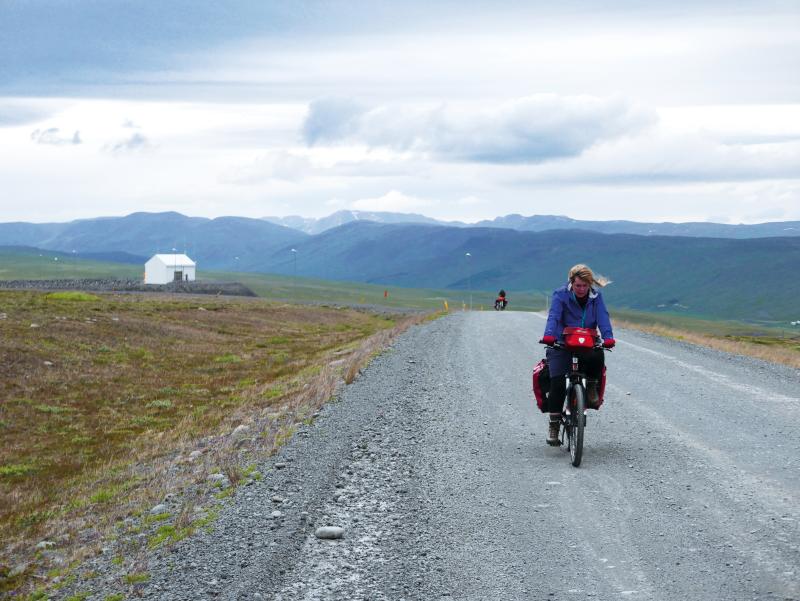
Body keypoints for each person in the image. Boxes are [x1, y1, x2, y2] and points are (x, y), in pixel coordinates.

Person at [540, 264, 615, 445]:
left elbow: (603, 318)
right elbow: (554, 316)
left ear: (590, 285)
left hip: (586, 340)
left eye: (585, 286)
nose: (581, 289)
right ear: (571, 283)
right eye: (578, 285)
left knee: (598, 355)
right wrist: (549, 335)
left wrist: (608, 337)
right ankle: (554, 425)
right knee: (557, 382)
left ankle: (591, 385)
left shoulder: (596, 297)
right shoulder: (560, 295)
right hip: (561, 341)